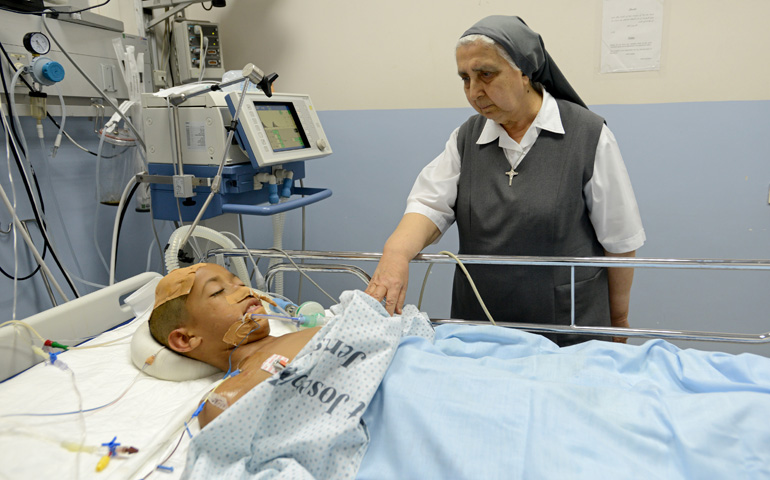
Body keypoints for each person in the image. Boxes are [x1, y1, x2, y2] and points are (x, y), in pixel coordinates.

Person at [365, 15, 646, 346]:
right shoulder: (466, 139)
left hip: (566, 325)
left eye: (486, 74)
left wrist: (617, 320)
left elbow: (620, 242)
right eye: (465, 79)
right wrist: (395, 254)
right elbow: (429, 204)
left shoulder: (588, 136)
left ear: (525, 73)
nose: (474, 91)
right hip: (481, 325)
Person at [149, 263, 321, 427]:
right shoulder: (227, 397)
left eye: (240, 282)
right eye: (217, 292)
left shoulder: (308, 332)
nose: (245, 290)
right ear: (185, 339)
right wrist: (218, 402)